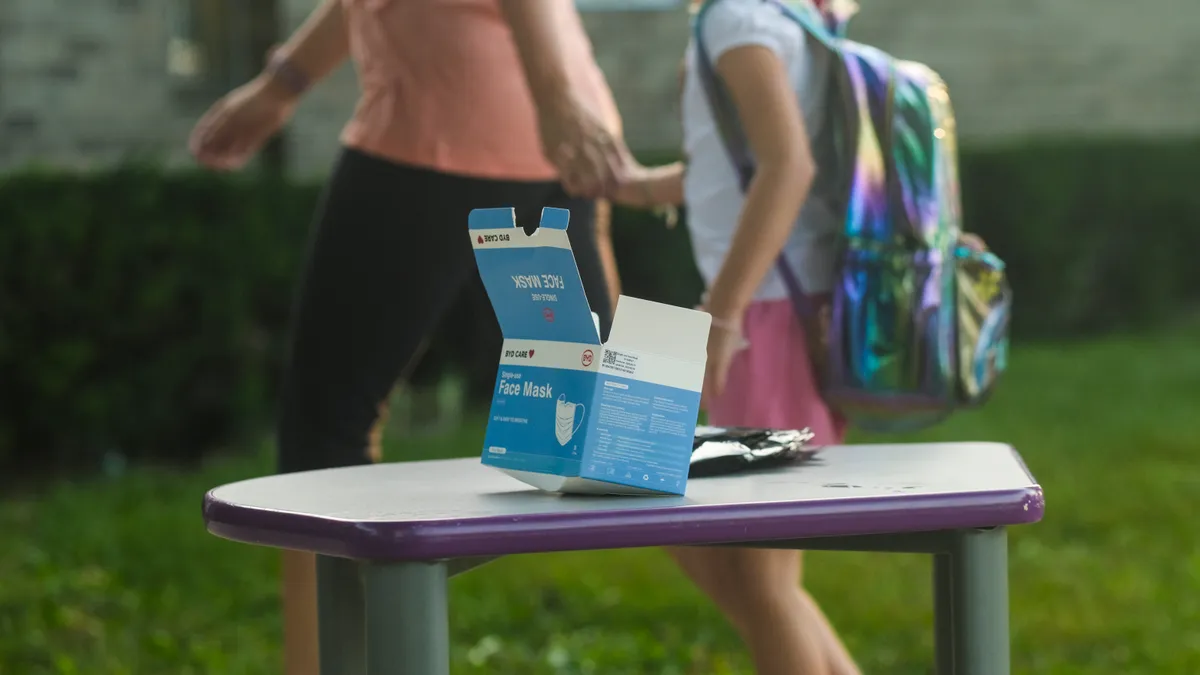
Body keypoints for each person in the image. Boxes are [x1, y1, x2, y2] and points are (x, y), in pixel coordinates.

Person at [188, 1, 627, 673]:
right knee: (615, 440)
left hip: (441, 128)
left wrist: (557, 101)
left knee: (322, 442)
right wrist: (282, 84)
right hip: (552, 135)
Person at [611, 0, 860, 673]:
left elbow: (788, 167)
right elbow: (736, 165)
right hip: (790, 310)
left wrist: (722, 314)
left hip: (766, 322)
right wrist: (635, 188)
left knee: (762, 582)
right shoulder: (780, 12)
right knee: (761, 578)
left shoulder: (737, 17)